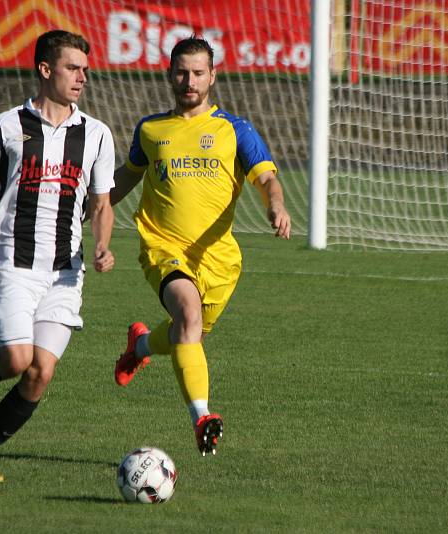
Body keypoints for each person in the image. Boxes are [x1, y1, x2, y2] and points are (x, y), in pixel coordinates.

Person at [0, 30, 115, 482]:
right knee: (17, 361)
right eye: (72, 67)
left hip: (65, 273)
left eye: (85, 68)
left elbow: (102, 202)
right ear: (45, 70)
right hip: (11, 265)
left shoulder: (96, 134)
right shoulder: (7, 126)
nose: (83, 76)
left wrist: (102, 243)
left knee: (41, 373)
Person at [110, 36, 291, 456]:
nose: (188, 81)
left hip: (218, 260)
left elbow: (266, 178)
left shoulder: (235, 130)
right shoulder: (151, 129)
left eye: (197, 73)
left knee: (186, 333)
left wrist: (276, 206)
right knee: (188, 315)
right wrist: (86, 207)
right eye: (181, 72)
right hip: (163, 245)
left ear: (212, 76)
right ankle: (202, 417)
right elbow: (127, 176)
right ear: (169, 73)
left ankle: (137, 347)